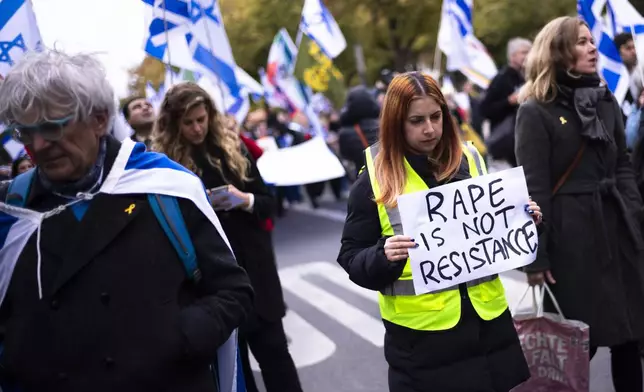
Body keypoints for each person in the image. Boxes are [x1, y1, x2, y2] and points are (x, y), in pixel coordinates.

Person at [0, 50, 253, 391]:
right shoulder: (12, 212)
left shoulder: (166, 188)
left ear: (99, 120)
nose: (38, 145)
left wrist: (186, 335)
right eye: (25, 133)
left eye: (53, 127)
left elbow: (233, 290)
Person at [337, 71, 537, 392]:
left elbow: (494, 228)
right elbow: (351, 256)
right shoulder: (373, 178)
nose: (429, 128)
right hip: (423, 341)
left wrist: (522, 216)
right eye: (416, 120)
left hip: (487, 329)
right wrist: (383, 255)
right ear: (395, 122)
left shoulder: (470, 157)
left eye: (436, 116)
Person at [516, 16, 644, 392]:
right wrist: (536, 258)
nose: (592, 48)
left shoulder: (603, 99)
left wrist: (634, 216)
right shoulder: (535, 110)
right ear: (558, 53)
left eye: (591, 40)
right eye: (582, 42)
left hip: (617, 230)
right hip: (572, 240)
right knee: (574, 341)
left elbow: (622, 162)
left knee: (628, 335)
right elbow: (534, 188)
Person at [151, 82, 303, 392]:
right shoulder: (164, 166)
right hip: (210, 281)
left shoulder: (233, 148)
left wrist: (242, 199)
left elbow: (268, 204)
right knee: (234, 371)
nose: (197, 128)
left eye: (201, 119)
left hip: (255, 271)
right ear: (173, 123)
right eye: (188, 122)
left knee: (276, 355)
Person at [480, 37, 532, 166]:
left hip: (525, 141)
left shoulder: (528, 77)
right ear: (512, 56)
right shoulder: (501, 79)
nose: (528, 56)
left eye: (530, 52)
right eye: (524, 52)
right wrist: (509, 101)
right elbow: (484, 109)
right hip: (506, 145)